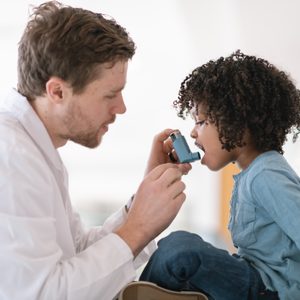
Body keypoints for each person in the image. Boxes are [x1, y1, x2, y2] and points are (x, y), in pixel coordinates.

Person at [0, 1, 192, 300]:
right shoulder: (10, 160)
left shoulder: (35, 151)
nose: (122, 108)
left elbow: (75, 253)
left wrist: (141, 203)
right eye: (110, 95)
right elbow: (40, 294)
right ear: (57, 91)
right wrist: (138, 227)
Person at [140, 50, 300, 299]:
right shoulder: (252, 173)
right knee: (180, 249)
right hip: (255, 281)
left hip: (271, 291)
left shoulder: (266, 175)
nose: (193, 133)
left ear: (241, 123)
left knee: (180, 248)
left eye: (201, 122)